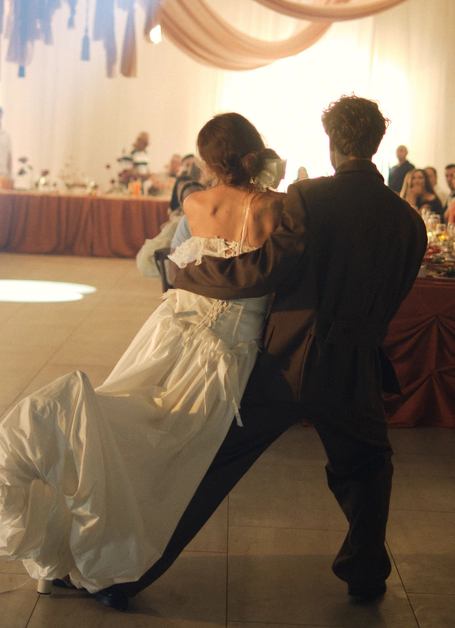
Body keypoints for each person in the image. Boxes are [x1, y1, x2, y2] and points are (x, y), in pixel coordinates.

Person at [103, 95, 427, 610]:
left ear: (332, 142)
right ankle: (365, 574)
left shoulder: (309, 198)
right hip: (356, 370)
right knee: (369, 469)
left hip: (290, 363)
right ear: (377, 143)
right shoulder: (409, 221)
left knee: (212, 466)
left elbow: (259, 273)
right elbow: (399, 295)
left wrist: (184, 270)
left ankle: (125, 576)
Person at [0, 112, 286, 605]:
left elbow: (182, 267)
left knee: (135, 415)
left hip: (170, 333)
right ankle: (112, 556)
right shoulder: (274, 208)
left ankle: (81, 525)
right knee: (172, 459)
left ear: (208, 161)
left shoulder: (195, 203)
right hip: (226, 352)